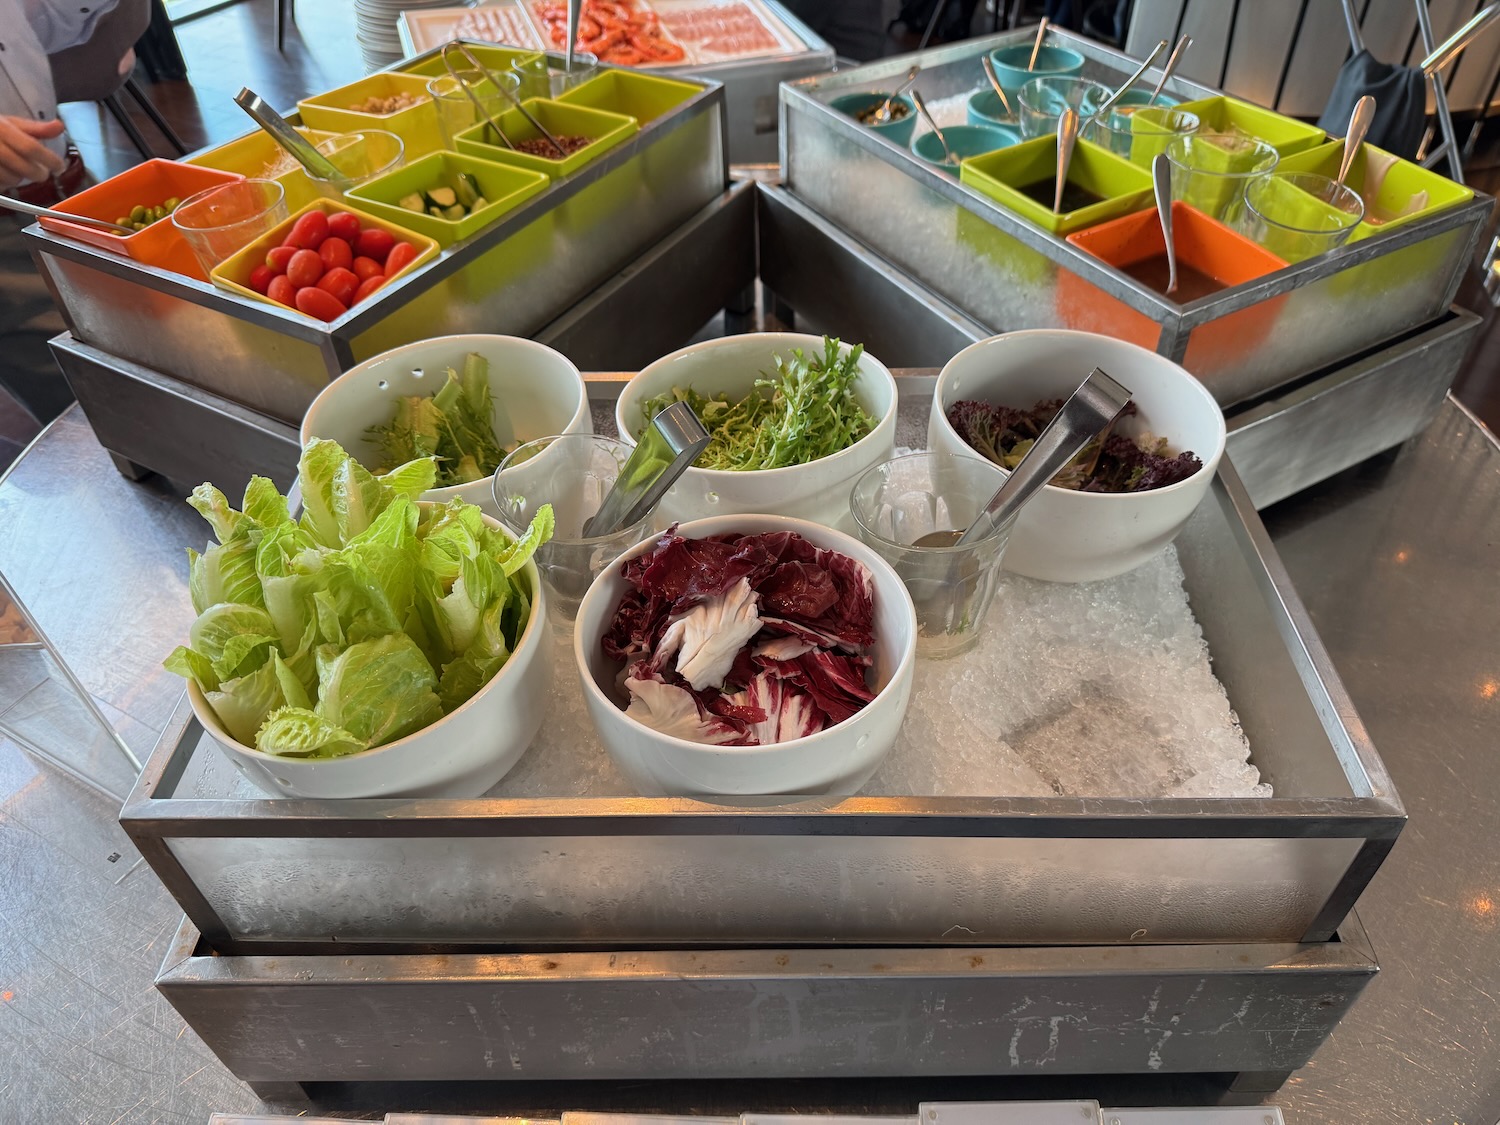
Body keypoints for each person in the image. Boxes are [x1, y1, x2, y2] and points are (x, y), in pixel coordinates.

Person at [0, 0, 122, 425]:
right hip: (7, 241)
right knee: (90, 411)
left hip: (68, 192)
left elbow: (51, 25)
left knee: (150, 352)